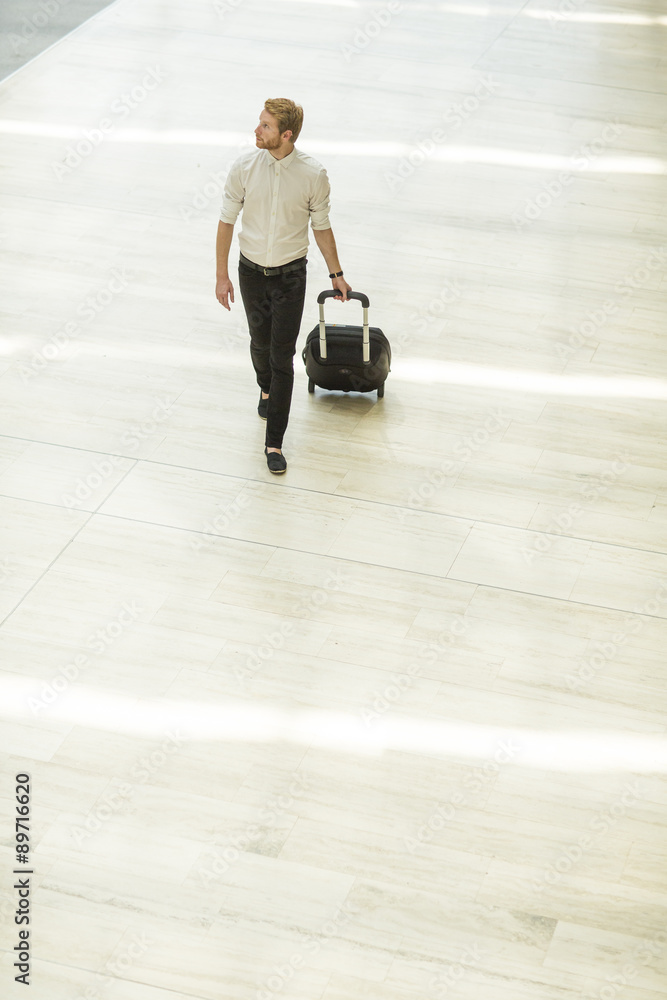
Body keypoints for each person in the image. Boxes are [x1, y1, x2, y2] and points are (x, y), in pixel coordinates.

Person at [215, 98, 352, 474]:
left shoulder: (313, 174)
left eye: (265, 126)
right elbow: (226, 221)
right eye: (259, 123)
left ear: (286, 135)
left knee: (283, 357)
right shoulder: (243, 167)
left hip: (291, 277)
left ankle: (274, 442)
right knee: (259, 345)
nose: (257, 131)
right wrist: (221, 275)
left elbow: (321, 227)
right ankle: (265, 387)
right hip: (250, 273)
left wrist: (336, 274)